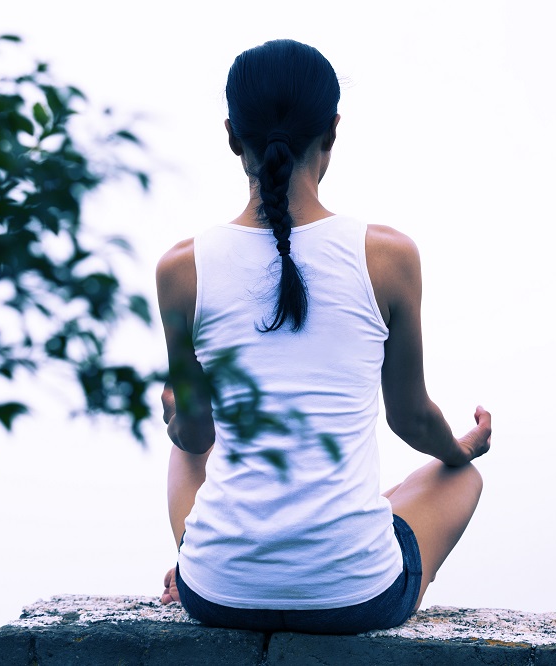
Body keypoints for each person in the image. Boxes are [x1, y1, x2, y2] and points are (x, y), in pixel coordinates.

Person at [155, 39, 491, 634]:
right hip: (356, 600)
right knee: (459, 475)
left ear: (233, 136)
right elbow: (411, 418)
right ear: (332, 130)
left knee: (183, 449)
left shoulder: (182, 268)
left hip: (218, 597)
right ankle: (348, 557)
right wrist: (457, 449)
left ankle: (203, 564)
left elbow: (196, 433)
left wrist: (176, 408)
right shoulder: (389, 256)